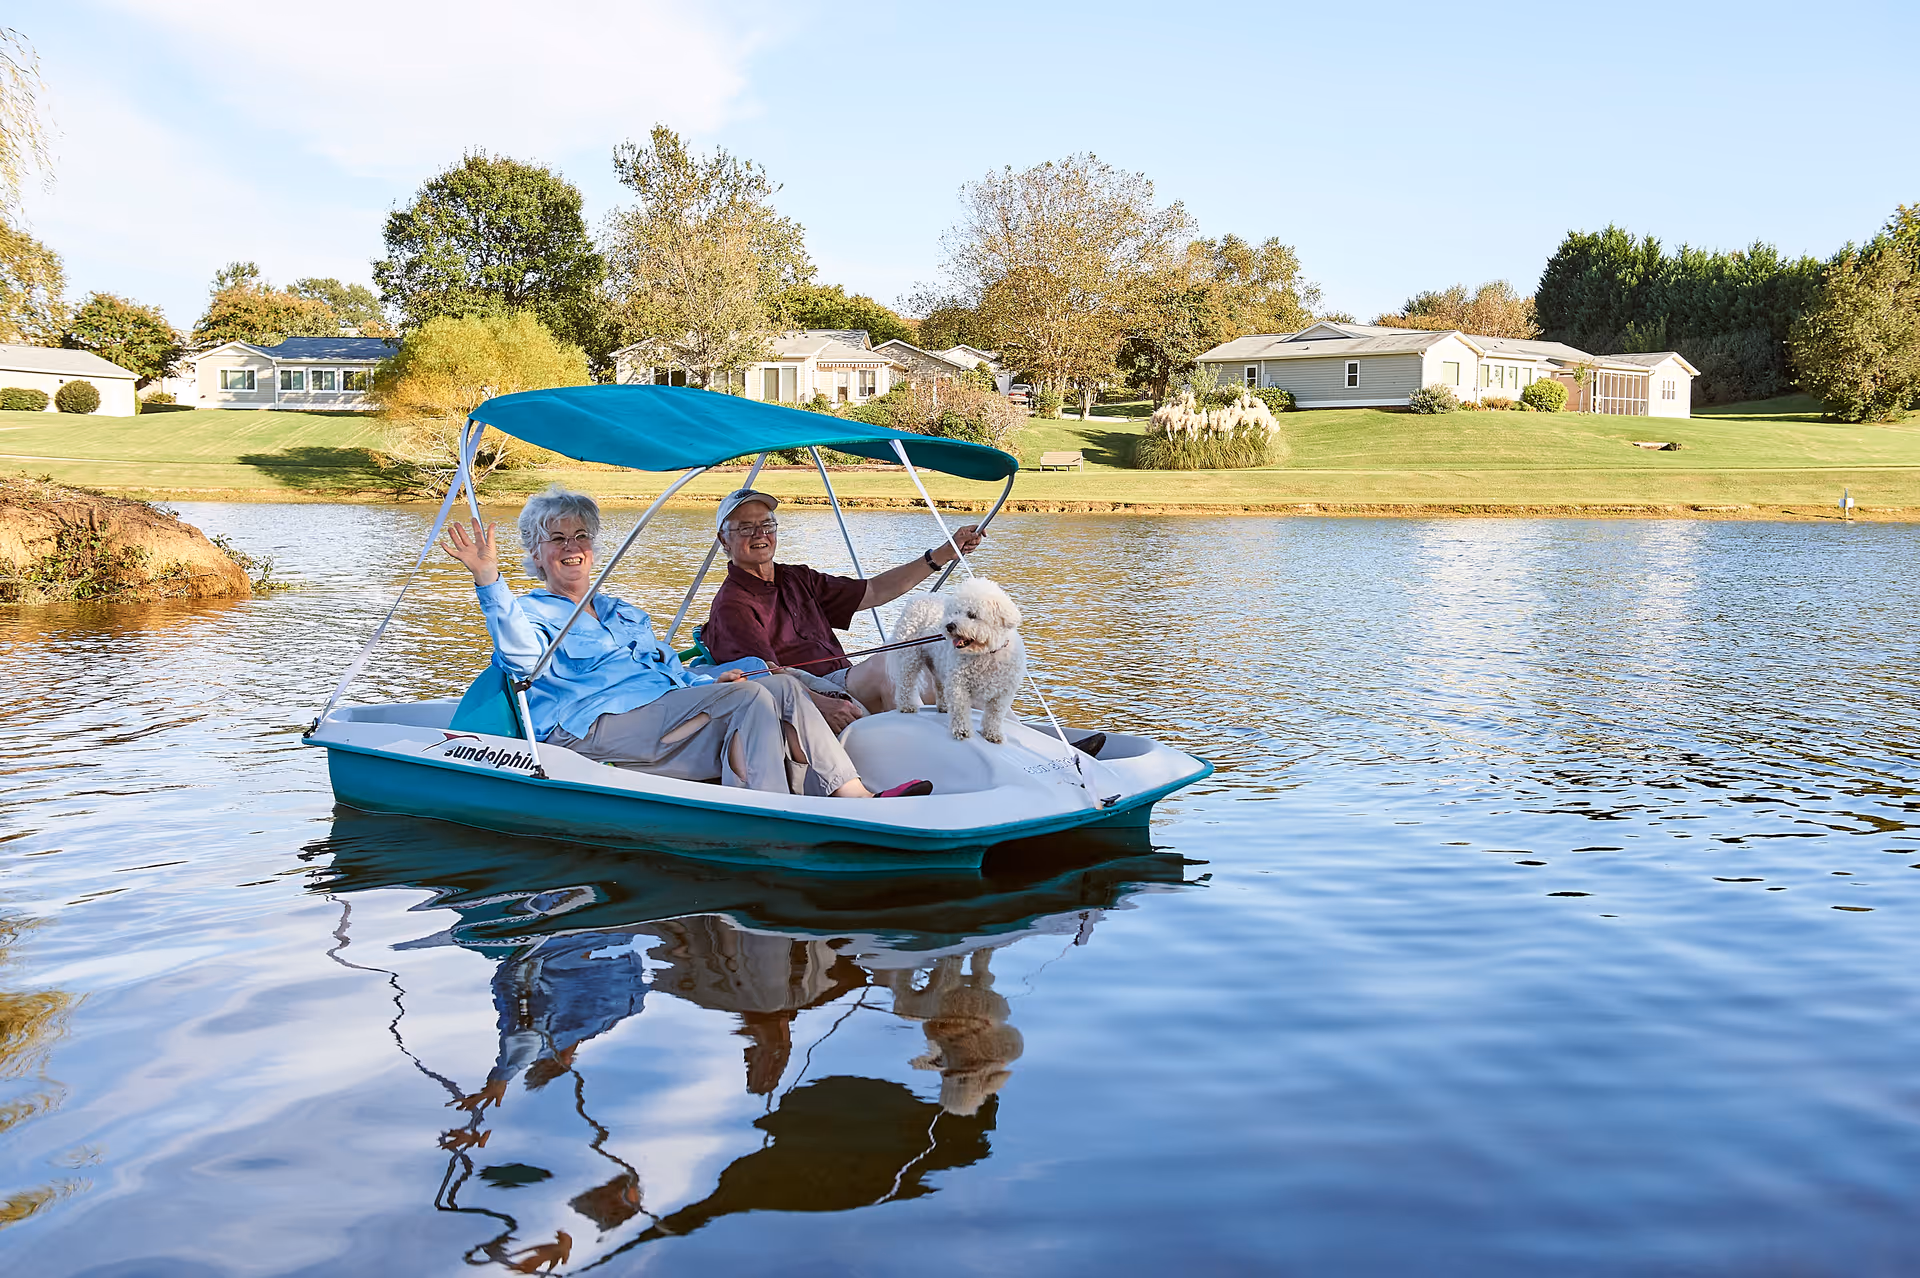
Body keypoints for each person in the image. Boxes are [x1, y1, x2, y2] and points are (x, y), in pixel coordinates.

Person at [440, 485, 930, 798]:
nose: (573, 548)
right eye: (558, 538)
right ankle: (766, 810)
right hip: (589, 728)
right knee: (748, 699)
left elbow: (672, 671)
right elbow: (520, 661)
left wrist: (718, 674)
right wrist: (489, 579)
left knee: (772, 683)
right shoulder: (528, 611)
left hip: (664, 707)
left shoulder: (621, 611)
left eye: (582, 536)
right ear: (536, 553)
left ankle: (853, 799)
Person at [701, 487, 984, 728]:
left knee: (952, 662)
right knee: (889, 666)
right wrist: (819, 704)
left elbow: (874, 590)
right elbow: (764, 677)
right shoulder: (732, 605)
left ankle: (1011, 742)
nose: (759, 534)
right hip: (812, 691)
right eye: (745, 528)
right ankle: (912, 759)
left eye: (766, 525)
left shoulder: (797, 577)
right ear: (724, 540)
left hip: (846, 682)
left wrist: (945, 552)